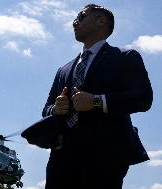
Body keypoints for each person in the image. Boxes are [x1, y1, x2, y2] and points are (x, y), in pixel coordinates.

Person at [42, 4, 153, 189]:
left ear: (101, 21)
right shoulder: (63, 70)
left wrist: (96, 101)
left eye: (81, 16)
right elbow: (46, 109)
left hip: (104, 157)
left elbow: (143, 98)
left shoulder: (125, 57)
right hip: (61, 160)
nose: (74, 22)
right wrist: (56, 108)